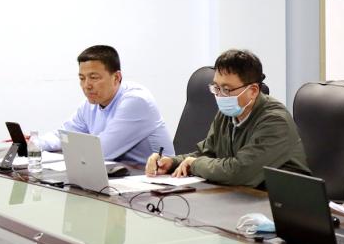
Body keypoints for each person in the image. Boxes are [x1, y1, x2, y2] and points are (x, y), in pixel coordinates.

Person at [147, 49, 309, 187]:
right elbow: (208, 154)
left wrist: (194, 164)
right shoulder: (227, 113)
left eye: (226, 89)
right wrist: (171, 162)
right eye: (216, 88)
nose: (219, 95)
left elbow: (240, 172)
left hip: (282, 203)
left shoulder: (276, 121)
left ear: (253, 91)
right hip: (241, 197)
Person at [37, 45, 174, 165]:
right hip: (118, 176)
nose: (86, 85)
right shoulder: (89, 104)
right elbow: (63, 136)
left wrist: (67, 149)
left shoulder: (136, 101)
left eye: (94, 78)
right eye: (82, 78)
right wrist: (33, 144)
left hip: (154, 179)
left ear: (116, 78)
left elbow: (101, 152)